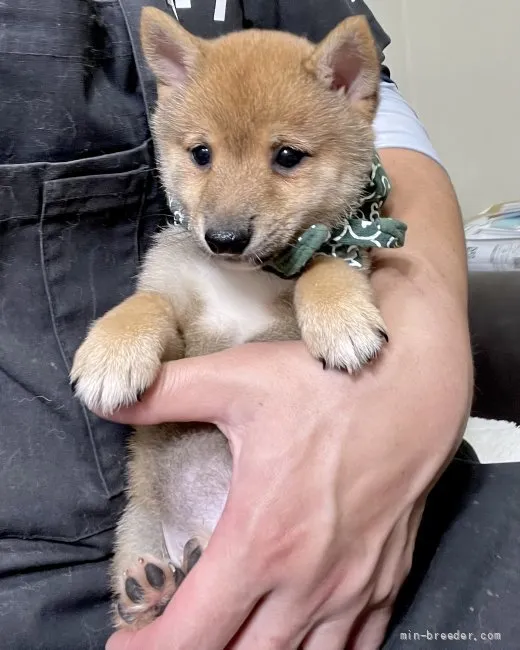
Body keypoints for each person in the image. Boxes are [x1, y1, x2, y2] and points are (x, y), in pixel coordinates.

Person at [1, 1, 518, 649]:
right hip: (61, 554)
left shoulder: (332, 160)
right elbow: (160, 303)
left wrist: (419, 372)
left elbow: (393, 147)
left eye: (286, 158)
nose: (227, 215)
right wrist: (135, 325)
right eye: (201, 154)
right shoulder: (183, 257)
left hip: (377, 497)